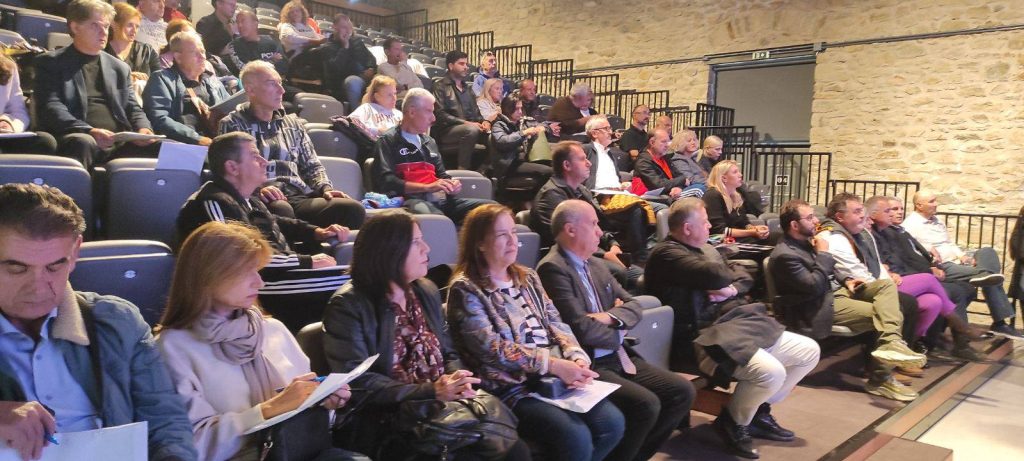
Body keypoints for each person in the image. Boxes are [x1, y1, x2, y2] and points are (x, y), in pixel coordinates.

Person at [0, 183, 197, 461]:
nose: (39, 287)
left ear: (75, 253)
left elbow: (166, 422)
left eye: (55, 266)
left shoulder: (118, 322)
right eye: (17, 268)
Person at [323, 210, 530, 460]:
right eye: (416, 242)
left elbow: (447, 351)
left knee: (512, 447)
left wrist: (457, 378)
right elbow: (359, 382)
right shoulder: (348, 306)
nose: (427, 249)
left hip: (439, 406)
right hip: (390, 420)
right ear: (390, 250)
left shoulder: (425, 290)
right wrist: (430, 391)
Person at [156, 221, 356, 461]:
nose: (259, 283)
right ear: (207, 275)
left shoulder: (272, 329)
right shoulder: (172, 347)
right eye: (246, 272)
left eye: (258, 271)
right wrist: (269, 410)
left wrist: (325, 403)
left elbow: (306, 419)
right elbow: (191, 446)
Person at [644, 198, 820, 459]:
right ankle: (733, 422)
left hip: (734, 324)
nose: (709, 227)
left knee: (809, 351)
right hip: (700, 338)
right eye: (705, 222)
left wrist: (731, 289)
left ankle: (756, 411)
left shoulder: (704, 248)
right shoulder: (666, 254)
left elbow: (744, 274)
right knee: (771, 373)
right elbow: (720, 274)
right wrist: (726, 276)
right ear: (688, 228)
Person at [447, 204, 625, 461]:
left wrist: (575, 357)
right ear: (480, 244)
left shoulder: (528, 277)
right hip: (510, 386)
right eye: (502, 235)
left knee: (612, 423)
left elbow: (555, 322)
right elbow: (491, 348)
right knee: (576, 438)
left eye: (513, 232)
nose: (513, 241)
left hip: (553, 375)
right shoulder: (465, 289)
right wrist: (553, 365)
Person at [538, 200, 695, 461]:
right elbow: (580, 329)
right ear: (570, 229)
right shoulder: (552, 268)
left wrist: (609, 318)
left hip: (618, 355)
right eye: (593, 224)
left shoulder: (596, 264)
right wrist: (618, 330)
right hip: (589, 361)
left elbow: (634, 305)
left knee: (681, 392)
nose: (600, 231)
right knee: (645, 405)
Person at [176, 132, 351, 332]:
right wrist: (307, 261)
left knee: (358, 280)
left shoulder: (249, 199)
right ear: (232, 167)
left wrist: (316, 232)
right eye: (255, 156)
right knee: (354, 282)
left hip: (277, 276)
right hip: (256, 287)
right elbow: (240, 257)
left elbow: (275, 222)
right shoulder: (212, 201)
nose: (264, 161)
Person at [770, 199, 927, 401]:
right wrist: (823, 253)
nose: (816, 220)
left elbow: (832, 270)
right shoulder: (785, 255)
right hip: (818, 305)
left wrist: (847, 280)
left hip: (839, 292)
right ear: (794, 224)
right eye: (809, 217)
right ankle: (880, 379)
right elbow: (814, 286)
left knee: (885, 286)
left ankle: (891, 343)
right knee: (887, 313)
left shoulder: (808, 241)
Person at [220, 61, 366, 230]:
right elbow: (231, 173)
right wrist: (258, 189)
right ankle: (307, 243)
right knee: (281, 209)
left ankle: (316, 241)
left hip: (298, 195)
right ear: (250, 90)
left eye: (280, 83)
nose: (281, 90)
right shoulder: (232, 124)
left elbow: (312, 165)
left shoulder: (293, 124)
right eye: (272, 84)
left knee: (352, 210)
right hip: (260, 199)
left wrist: (325, 188)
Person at [34, 0, 159, 169]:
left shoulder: (119, 68)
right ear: (75, 27)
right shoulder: (51, 63)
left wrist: (143, 129)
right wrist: (88, 130)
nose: (103, 32)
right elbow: (51, 106)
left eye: (106, 26)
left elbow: (132, 106)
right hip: (77, 134)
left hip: (118, 140)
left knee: (166, 148)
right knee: (83, 142)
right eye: (95, 26)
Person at [867, 196, 984, 360]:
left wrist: (931, 264)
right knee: (933, 282)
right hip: (886, 282)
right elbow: (883, 261)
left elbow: (906, 257)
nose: (894, 213)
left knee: (933, 301)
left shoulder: (889, 232)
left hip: (903, 275)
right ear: (872, 215)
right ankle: (961, 328)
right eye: (888, 210)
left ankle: (909, 347)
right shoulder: (872, 234)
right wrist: (889, 272)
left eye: (899, 209)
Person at [903, 190, 1022, 336]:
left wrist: (963, 256)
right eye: (931, 201)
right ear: (919, 205)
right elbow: (910, 247)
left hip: (957, 261)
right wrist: (928, 249)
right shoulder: (910, 225)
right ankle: (999, 322)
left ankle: (983, 275)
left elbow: (949, 243)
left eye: (936, 200)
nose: (936, 204)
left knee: (987, 251)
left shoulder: (937, 221)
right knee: (990, 277)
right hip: (943, 264)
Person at [371, 88, 495, 225]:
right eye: (429, 111)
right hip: (409, 201)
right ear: (412, 112)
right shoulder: (388, 140)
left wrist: (452, 184)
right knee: (437, 220)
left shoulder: (429, 142)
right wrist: (427, 187)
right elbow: (387, 181)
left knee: (493, 211)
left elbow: (442, 175)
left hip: (439, 200)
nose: (433, 118)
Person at [816, 193, 925, 348]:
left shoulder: (860, 233)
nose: (863, 216)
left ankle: (900, 350)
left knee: (914, 301)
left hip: (855, 284)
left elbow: (875, 264)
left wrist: (886, 282)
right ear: (840, 217)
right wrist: (882, 288)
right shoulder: (834, 237)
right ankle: (886, 354)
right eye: (856, 212)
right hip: (845, 289)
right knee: (899, 306)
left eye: (862, 210)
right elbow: (854, 272)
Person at [530, 141, 647, 278]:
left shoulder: (581, 190)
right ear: (567, 165)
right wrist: (603, 254)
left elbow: (598, 225)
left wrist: (612, 244)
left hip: (591, 253)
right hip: (568, 261)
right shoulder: (550, 195)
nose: (589, 163)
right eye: (582, 159)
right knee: (623, 273)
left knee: (644, 275)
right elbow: (568, 239)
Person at [143, 31, 230, 146]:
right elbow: (158, 118)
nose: (202, 57)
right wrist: (197, 139)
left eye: (202, 51)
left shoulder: (213, 81)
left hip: (218, 145)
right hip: (182, 145)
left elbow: (230, 111)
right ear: (178, 57)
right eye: (195, 53)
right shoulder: (162, 79)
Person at [431, 50, 489, 170]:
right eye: (461, 64)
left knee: (494, 135)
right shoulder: (440, 86)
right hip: (447, 130)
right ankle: (463, 170)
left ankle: (487, 171)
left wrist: (485, 122)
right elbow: (440, 114)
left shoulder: (468, 89)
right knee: (471, 130)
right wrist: (466, 123)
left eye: (466, 64)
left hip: (469, 127)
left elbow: (477, 113)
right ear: (451, 66)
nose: (466, 67)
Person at [488, 94, 553, 197]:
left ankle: (533, 199)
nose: (520, 112)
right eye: (516, 109)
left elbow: (544, 124)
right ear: (508, 109)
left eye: (521, 108)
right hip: (509, 164)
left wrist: (544, 128)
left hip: (523, 160)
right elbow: (503, 142)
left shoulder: (522, 122)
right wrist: (523, 133)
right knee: (548, 172)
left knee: (555, 166)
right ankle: (532, 199)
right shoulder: (499, 125)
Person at [316, 14, 376, 113]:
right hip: (343, 81)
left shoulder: (357, 41)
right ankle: (357, 116)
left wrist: (371, 68)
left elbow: (370, 58)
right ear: (334, 27)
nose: (348, 31)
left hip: (364, 77)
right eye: (344, 27)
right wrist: (345, 47)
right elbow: (335, 69)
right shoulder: (327, 47)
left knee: (384, 80)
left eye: (350, 28)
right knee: (352, 81)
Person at [702, 160, 770, 244]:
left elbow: (744, 223)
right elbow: (719, 231)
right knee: (768, 240)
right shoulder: (712, 195)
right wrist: (752, 232)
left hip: (738, 239)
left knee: (773, 237)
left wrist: (756, 229)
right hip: (723, 242)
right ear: (724, 178)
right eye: (735, 172)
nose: (740, 175)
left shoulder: (736, 195)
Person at [0, 54, 57, 154]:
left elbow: (18, 111)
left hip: (2, 136)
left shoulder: (8, 67)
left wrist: (8, 123)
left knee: (45, 141)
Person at [634, 128, 704, 200]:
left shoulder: (665, 157)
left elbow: (679, 176)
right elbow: (658, 185)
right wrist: (682, 181)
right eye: (663, 142)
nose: (667, 145)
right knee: (699, 189)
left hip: (672, 192)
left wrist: (678, 187)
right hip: (655, 197)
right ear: (652, 142)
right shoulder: (643, 162)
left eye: (668, 141)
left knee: (703, 188)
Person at [221, 9, 288, 76]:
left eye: (243, 21)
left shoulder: (271, 40)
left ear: (255, 23)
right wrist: (271, 60)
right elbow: (246, 70)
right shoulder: (235, 45)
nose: (240, 25)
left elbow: (283, 65)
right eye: (238, 22)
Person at [106, 3, 161, 82]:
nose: (134, 30)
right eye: (129, 25)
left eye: (137, 26)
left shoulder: (147, 51)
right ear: (114, 24)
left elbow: (160, 80)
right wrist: (128, 77)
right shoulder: (102, 50)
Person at [582, 115, 631, 191]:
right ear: (594, 133)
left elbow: (617, 180)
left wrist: (622, 185)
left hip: (616, 193)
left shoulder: (609, 154)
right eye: (606, 129)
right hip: (597, 193)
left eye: (610, 128)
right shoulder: (585, 150)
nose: (610, 132)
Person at [348, 75, 403, 140]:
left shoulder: (398, 114)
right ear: (377, 96)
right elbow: (351, 121)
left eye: (395, 93)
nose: (394, 98)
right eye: (389, 95)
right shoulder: (368, 108)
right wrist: (377, 131)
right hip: (373, 144)